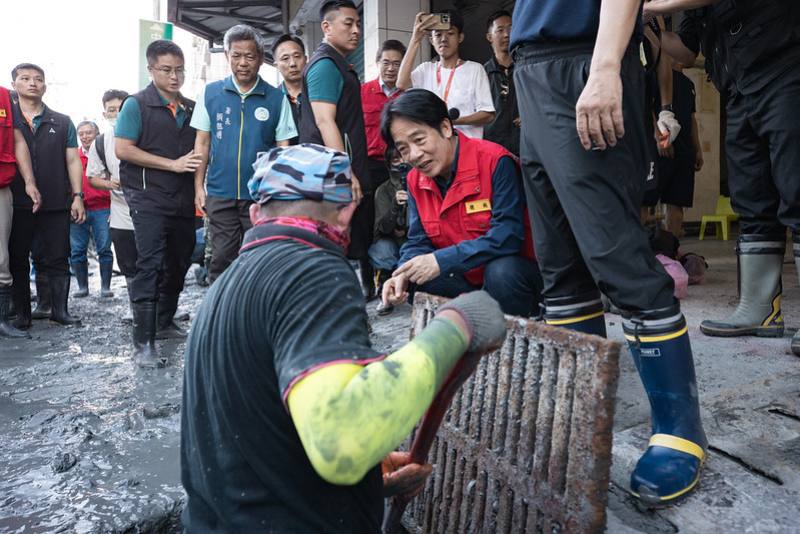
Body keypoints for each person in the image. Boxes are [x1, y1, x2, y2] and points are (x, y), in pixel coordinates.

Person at [180, 142, 507, 531]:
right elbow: (341, 442)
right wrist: (456, 325)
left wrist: (368, 476)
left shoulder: (224, 287)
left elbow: (255, 427)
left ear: (256, 214)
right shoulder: (311, 269)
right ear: (348, 210)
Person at [510, 0, 707, 505]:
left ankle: (679, 429)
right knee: (561, 267)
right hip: (533, 72)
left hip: (584, 59)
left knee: (614, 255)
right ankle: (584, 410)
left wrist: (602, 68)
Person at [644, 0, 800, 354]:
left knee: (797, 187)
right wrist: (642, 26)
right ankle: (759, 310)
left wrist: (650, 6)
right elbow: (684, 52)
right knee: (752, 198)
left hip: (785, 72)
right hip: (738, 89)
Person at [381, 89, 542, 318]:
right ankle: (462, 338)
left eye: (419, 140)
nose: (414, 155)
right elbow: (418, 240)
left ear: (446, 128)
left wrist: (441, 260)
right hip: (465, 279)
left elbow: (509, 236)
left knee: (502, 272)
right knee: (417, 278)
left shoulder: (495, 161)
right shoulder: (414, 180)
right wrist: (402, 273)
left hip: (513, 276)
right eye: (404, 149)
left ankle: (515, 339)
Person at [116, 40, 199, 368]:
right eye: (167, 70)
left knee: (181, 258)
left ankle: (164, 320)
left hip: (183, 199)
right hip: (147, 196)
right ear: (151, 69)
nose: (174, 76)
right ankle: (144, 342)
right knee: (148, 264)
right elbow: (124, 149)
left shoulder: (192, 108)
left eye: (179, 69)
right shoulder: (136, 105)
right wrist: (173, 164)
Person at [192, 24, 297, 283]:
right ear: (227, 56)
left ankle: (257, 314)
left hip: (260, 195)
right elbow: (202, 143)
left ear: (261, 59)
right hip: (220, 192)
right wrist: (198, 187)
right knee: (222, 258)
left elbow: (284, 147)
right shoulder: (210, 93)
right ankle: (222, 316)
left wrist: (281, 191)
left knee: (261, 257)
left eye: (249, 56)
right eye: (236, 56)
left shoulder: (276, 98)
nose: (242, 63)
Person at [299, 0, 373, 298]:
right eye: (348, 24)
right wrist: (347, 172)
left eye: (358, 24)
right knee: (332, 246)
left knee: (346, 244)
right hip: (332, 177)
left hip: (340, 172)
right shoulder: (325, 66)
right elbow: (324, 120)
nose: (356, 31)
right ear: (327, 27)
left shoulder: (339, 63)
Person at [9, 63, 85, 329]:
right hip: (16, 201)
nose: (33, 83)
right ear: (14, 85)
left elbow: (73, 160)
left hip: (56, 201)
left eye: (38, 79)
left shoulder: (62, 121)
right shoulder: (7, 119)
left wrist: (77, 196)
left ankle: (60, 311)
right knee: (17, 257)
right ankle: (22, 315)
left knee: (58, 256)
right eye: (25, 78)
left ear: (45, 86)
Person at [397, 10, 495, 140]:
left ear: (460, 37)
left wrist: (452, 121)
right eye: (438, 34)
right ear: (431, 40)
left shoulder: (475, 69)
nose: (444, 39)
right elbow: (401, 83)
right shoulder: (426, 69)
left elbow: (488, 114)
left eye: (450, 33)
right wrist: (415, 39)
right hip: (434, 149)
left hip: (467, 148)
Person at [87, 90, 135, 316]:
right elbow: (92, 177)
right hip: (120, 211)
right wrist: (110, 184)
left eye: (121, 109)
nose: (117, 114)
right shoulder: (101, 142)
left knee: (157, 260)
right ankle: (136, 307)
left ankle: (163, 309)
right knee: (128, 262)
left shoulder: (145, 134)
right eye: (112, 110)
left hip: (151, 209)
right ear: (104, 114)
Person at [0, 85, 40, 338]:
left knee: (1, 258)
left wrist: (29, 181)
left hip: (1, 186)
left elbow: (17, 140)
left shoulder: (5, 96)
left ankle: (2, 320)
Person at [648, 59, 703, 237]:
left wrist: (698, 149)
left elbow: (691, 119)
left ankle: (671, 250)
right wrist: (661, 139)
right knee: (647, 198)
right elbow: (650, 108)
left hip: (684, 152)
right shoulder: (658, 77)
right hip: (662, 149)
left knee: (677, 201)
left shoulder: (688, 84)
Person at [69, 120, 113, 298]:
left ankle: (105, 287)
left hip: (103, 207)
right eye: (81, 133)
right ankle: (82, 287)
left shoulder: (104, 155)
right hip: (79, 208)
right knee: (77, 249)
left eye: (89, 132)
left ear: (97, 134)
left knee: (104, 248)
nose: (85, 136)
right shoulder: (73, 157)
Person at [370, 146, 410, 315]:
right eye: (396, 160)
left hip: (418, 241)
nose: (401, 163)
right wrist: (395, 207)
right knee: (380, 250)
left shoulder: (425, 181)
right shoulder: (383, 191)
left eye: (404, 157)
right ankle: (385, 285)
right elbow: (383, 229)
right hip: (396, 244)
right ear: (388, 165)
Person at [362, 39, 406, 191]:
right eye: (386, 63)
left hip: (400, 165)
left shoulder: (407, 96)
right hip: (369, 166)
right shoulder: (361, 92)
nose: (391, 69)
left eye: (397, 64)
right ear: (377, 63)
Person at [484, 10, 520, 156]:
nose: (507, 34)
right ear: (489, 37)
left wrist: (530, 113)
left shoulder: (525, 68)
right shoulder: (481, 73)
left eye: (511, 29)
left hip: (524, 142)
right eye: (500, 30)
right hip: (493, 147)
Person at [272, 33, 307, 143]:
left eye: (297, 56)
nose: (292, 63)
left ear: (305, 59)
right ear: (276, 65)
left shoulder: (319, 94)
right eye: (285, 58)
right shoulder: (273, 100)